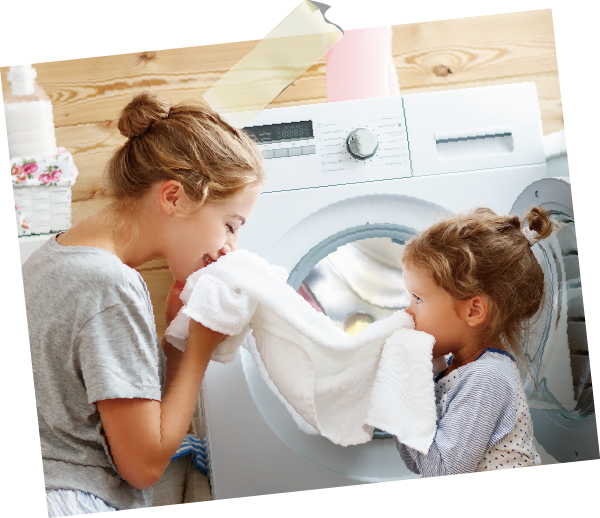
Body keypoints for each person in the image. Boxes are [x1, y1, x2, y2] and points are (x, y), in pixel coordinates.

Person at [23, 91, 264, 515]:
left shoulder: (54, 256)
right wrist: (200, 348)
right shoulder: (110, 286)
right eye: (230, 225)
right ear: (173, 197)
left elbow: (120, 412)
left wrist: (175, 339)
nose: (231, 247)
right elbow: (144, 465)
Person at [394, 206, 554, 476]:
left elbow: (442, 472)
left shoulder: (487, 377)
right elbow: (418, 461)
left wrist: (402, 393)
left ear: (474, 311)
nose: (407, 312)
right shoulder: (450, 367)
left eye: (418, 299)